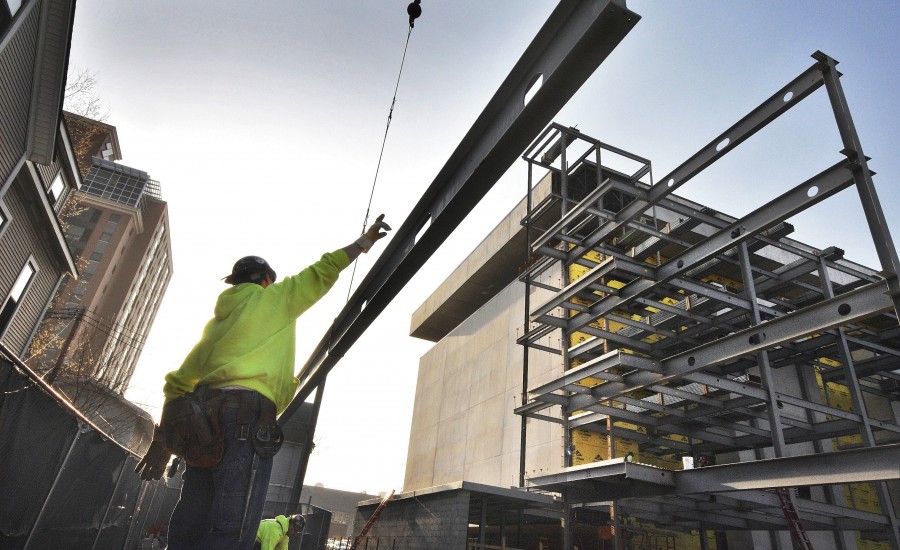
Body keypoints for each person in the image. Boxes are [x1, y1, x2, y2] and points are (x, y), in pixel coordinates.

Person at [136, 214, 391, 550]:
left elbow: (179, 382)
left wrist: (163, 440)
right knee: (233, 528)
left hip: (203, 424)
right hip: (247, 417)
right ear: (267, 280)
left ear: (234, 284)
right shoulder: (275, 299)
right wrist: (364, 242)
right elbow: (321, 271)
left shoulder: (216, 327)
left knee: (193, 518)